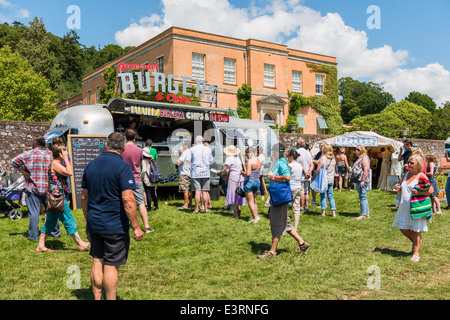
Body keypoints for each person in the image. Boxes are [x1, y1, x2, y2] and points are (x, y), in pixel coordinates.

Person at [81, 132, 144, 300]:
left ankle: (96, 297)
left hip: (94, 222)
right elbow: (128, 199)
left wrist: (88, 220)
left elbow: (84, 198)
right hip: (114, 224)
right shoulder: (123, 167)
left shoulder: (90, 165)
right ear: (124, 147)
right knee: (111, 265)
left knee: (97, 259)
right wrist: (136, 227)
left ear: (106, 145)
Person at [257, 143, 309, 259]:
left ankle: (272, 252)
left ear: (276, 152)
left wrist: (273, 177)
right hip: (277, 196)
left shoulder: (281, 163)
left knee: (276, 223)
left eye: (272, 152)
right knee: (285, 223)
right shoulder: (279, 162)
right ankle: (302, 243)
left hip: (280, 197)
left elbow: (287, 177)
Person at [36, 144, 90, 253]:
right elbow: (69, 173)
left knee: (50, 222)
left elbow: (63, 181)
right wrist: (66, 159)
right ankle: (80, 243)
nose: (67, 154)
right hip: (57, 198)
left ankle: (40, 246)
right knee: (69, 220)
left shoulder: (57, 164)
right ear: (60, 154)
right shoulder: (55, 164)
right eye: (65, 152)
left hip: (57, 198)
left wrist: (67, 196)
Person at [11, 136, 60, 241]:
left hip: (33, 187)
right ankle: (55, 233)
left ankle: (33, 236)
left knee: (34, 213)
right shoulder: (52, 154)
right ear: (45, 144)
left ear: (35, 144)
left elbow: (13, 161)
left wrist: (23, 171)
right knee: (53, 211)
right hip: (49, 188)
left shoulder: (29, 154)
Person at [392, 154, 433, 262]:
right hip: (404, 206)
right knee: (403, 228)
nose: (409, 164)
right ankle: (416, 244)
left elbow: (431, 190)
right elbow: (402, 186)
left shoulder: (421, 176)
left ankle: (416, 253)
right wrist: (399, 187)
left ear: (418, 164)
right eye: (409, 162)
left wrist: (419, 191)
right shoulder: (406, 173)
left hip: (416, 207)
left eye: (412, 163)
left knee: (416, 230)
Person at [121, 129, 154, 233]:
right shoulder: (139, 149)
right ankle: (147, 226)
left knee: (123, 202)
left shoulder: (122, 149)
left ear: (125, 137)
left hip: (123, 178)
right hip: (136, 178)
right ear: (134, 137)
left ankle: (124, 225)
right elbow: (139, 163)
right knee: (141, 203)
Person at [216, 145, 245, 218]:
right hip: (240, 177)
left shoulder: (229, 159)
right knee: (238, 193)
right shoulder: (237, 158)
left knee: (232, 195)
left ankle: (235, 213)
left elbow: (227, 170)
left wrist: (226, 177)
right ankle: (238, 209)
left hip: (233, 177)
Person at [190, 136, 213, 214]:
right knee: (205, 191)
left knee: (197, 191)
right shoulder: (208, 149)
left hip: (195, 172)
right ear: (203, 141)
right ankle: (206, 209)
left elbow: (189, 160)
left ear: (196, 141)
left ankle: (196, 209)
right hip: (206, 172)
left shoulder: (192, 149)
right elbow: (211, 161)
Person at [316, 145, 337, 217]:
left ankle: (323, 212)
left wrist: (316, 173)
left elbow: (318, 169)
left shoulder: (323, 158)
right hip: (331, 178)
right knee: (330, 195)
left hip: (324, 179)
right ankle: (333, 212)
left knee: (323, 195)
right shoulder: (333, 158)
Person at [242, 147, 261, 223]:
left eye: (247, 154)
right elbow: (259, 173)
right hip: (257, 182)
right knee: (253, 200)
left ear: (251, 153)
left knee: (250, 201)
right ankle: (257, 216)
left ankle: (254, 218)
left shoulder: (249, 161)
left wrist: (243, 173)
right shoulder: (259, 161)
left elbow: (248, 173)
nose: (246, 156)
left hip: (250, 182)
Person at [353, 145, 371, 220]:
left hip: (362, 180)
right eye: (356, 149)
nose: (356, 151)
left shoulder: (364, 158)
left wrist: (363, 180)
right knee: (363, 196)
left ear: (362, 150)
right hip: (360, 179)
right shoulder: (361, 158)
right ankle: (366, 213)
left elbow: (366, 169)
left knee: (362, 196)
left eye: (358, 150)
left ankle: (363, 214)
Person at [287, 149, 303, 230]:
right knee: (296, 207)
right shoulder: (300, 165)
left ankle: (286, 224)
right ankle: (295, 227)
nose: (287, 158)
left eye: (288, 156)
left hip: (291, 187)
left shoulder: (290, 166)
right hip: (299, 186)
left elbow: (287, 176)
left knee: (286, 206)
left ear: (291, 156)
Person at [296, 139, 313, 212]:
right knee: (307, 191)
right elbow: (311, 164)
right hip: (308, 175)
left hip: (301, 175)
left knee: (302, 191)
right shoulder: (308, 152)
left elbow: (299, 163)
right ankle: (306, 206)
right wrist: (309, 172)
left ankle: (301, 207)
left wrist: (305, 172)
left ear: (299, 145)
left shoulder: (298, 152)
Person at [175, 141, 192, 210]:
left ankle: (185, 204)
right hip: (191, 172)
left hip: (184, 172)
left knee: (185, 189)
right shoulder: (191, 152)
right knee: (190, 189)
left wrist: (176, 165)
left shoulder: (185, 152)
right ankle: (190, 203)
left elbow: (179, 161)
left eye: (183, 145)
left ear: (186, 146)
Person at [141, 148, 159, 214]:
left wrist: (141, 177)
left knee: (148, 193)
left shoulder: (144, 161)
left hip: (147, 179)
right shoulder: (151, 160)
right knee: (153, 193)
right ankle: (156, 206)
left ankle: (149, 207)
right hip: (153, 178)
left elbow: (143, 170)